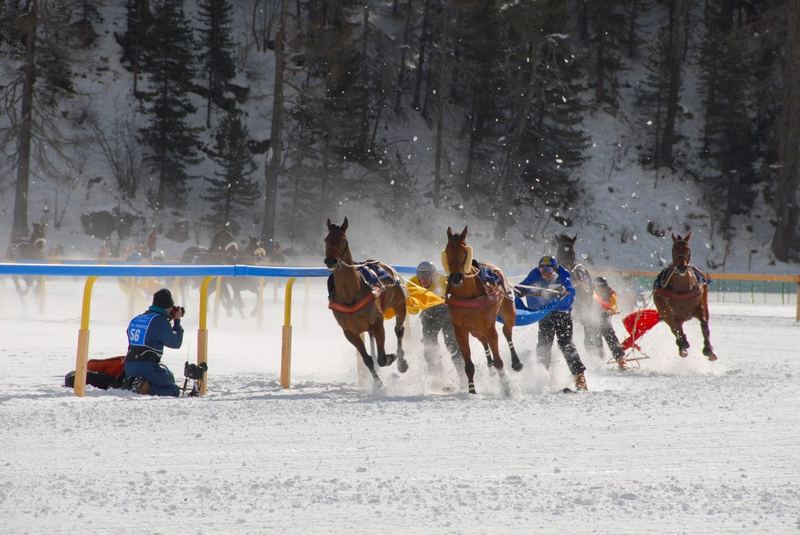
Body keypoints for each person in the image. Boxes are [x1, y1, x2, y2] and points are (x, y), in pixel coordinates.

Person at [515, 255, 588, 391]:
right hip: (545, 314)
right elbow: (524, 285)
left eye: (549, 270)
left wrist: (562, 290)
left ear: (555, 269)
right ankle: (543, 375)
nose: (545, 273)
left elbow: (568, 288)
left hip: (562, 313)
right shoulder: (535, 274)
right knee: (544, 344)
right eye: (542, 270)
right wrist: (521, 290)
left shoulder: (563, 273)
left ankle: (579, 376)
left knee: (566, 344)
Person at [124, 288, 184, 396]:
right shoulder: (159, 321)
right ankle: (145, 388)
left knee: (167, 375)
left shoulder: (138, 318)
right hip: (147, 367)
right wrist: (177, 321)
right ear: (167, 307)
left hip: (128, 366)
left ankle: (135, 383)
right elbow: (176, 343)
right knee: (173, 388)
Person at [408, 261, 462, 378]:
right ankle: (437, 378)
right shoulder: (412, 284)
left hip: (446, 312)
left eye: (427, 276)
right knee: (429, 344)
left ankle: (463, 375)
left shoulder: (442, 281)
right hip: (428, 313)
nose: (424, 279)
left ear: (433, 275)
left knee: (452, 344)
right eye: (421, 276)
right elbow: (413, 311)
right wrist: (410, 303)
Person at [591, 276, 627, 369]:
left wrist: (610, 310)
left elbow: (613, 305)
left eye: (604, 286)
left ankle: (620, 359)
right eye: (600, 287)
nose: (602, 288)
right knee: (595, 339)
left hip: (603, 318)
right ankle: (599, 359)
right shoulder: (591, 293)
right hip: (592, 318)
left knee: (611, 338)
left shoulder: (610, 293)